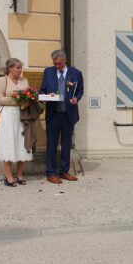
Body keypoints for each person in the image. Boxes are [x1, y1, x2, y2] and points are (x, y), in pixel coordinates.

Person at [40, 50, 84, 184]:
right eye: (55, 64)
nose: (57, 66)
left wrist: (76, 98)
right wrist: (44, 97)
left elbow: (80, 90)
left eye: (59, 63)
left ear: (65, 61)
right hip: (53, 114)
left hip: (69, 114)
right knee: (52, 144)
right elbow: (43, 90)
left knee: (66, 144)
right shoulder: (48, 72)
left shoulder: (76, 73)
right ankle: (51, 173)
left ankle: (64, 171)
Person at [0, 58, 32, 187]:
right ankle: (8, 176)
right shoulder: (1, 80)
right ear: (10, 68)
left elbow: (28, 96)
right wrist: (16, 99)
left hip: (22, 115)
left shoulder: (24, 80)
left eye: (21, 67)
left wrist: (27, 100)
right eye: (18, 68)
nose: (20, 70)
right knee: (9, 143)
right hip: (8, 115)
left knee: (22, 144)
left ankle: (20, 175)